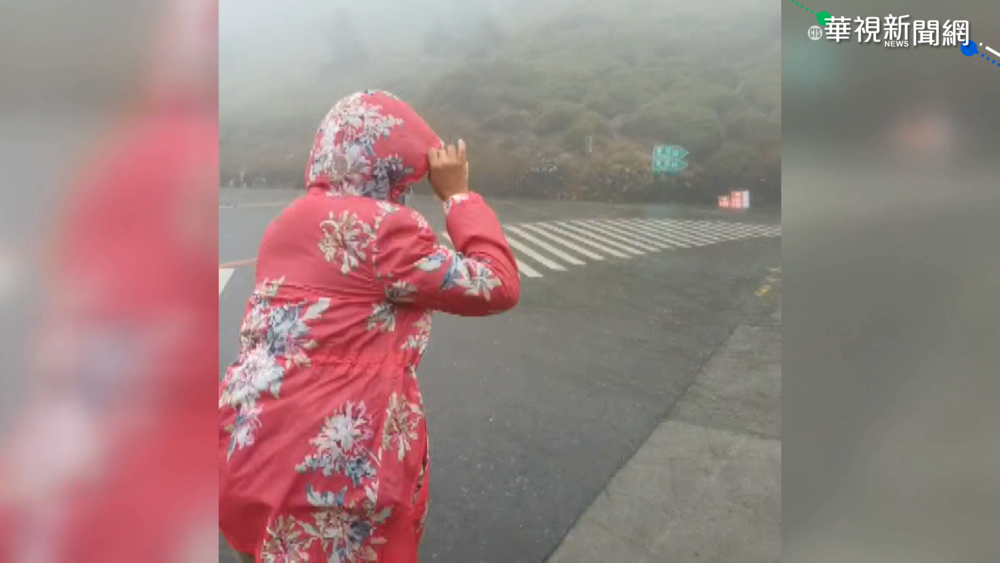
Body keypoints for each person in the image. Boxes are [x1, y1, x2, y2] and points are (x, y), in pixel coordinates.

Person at [219, 90, 521, 562]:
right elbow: (496, 284)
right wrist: (459, 195)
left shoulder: (285, 223)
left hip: (253, 453)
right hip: (325, 479)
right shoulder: (385, 230)